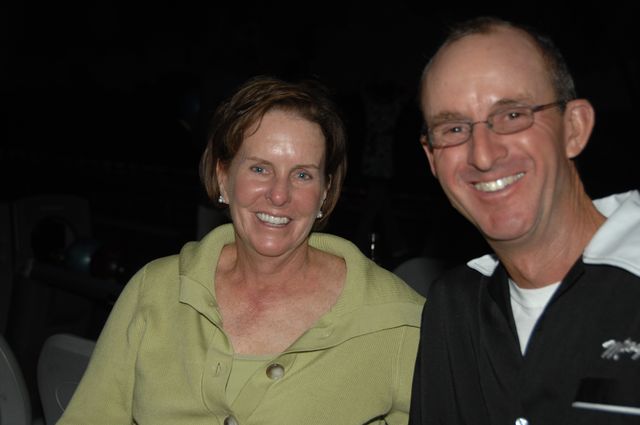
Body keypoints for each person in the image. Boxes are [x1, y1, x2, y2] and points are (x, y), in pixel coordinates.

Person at [57, 75, 425, 425]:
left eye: (302, 174)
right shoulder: (155, 291)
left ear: (325, 192)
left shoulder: (398, 321)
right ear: (223, 177)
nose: (279, 195)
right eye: (260, 169)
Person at [409, 16, 640, 425]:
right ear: (431, 159)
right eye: (455, 128)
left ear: (574, 128)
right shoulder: (453, 309)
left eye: (513, 115)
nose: (483, 155)